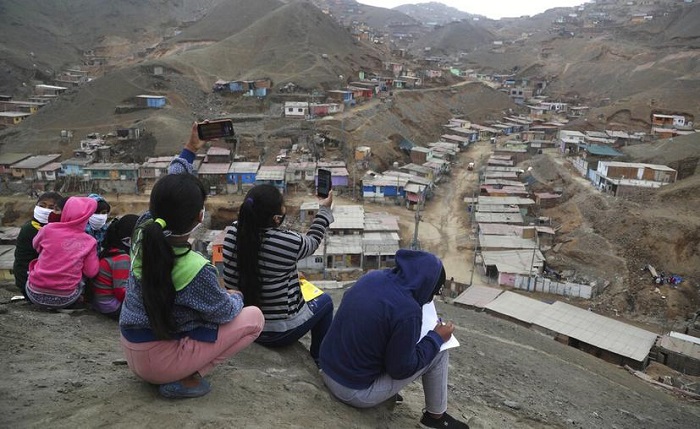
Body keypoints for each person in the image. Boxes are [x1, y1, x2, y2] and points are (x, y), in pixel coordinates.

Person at [119, 169, 264, 399]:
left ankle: (178, 371)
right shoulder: (196, 268)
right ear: (199, 216)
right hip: (160, 362)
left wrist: (190, 150)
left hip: (132, 348)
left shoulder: (142, 233)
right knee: (254, 317)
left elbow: (169, 194)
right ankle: (186, 377)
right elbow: (224, 313)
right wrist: (236, 296)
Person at [319, 249, 469, 429]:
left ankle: (388, 394)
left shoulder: (372, 278)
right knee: (439, 351)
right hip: (352, 390)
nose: (430, 299)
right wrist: (436, 338)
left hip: (327, 367)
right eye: (433, 293)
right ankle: (435, 418)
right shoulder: (408, 310)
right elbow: (401, 369)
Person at [222, 184, 334, 365]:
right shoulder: (287, 241)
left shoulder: (232, 232)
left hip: (244, 324)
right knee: (326, 302)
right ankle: (318, 359)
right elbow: (313, 242)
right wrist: (324, 209)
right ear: (276, 218)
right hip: (276, 333)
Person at [26, 197, 100, 309]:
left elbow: (36, 246)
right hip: (67, 298)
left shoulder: (48, 229)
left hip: (34, 293)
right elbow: (91, 272)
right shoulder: (90, 241)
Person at [13, 191, 63, 298]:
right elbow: (21, 263)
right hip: (30, 282)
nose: (45, 210)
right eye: (42, 206)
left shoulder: (59, 229)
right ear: (36, 206)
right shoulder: (30, 229)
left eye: (51, 207)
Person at [91, 214, 139, 318]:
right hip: (110, 306)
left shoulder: (111, 251)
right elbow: (121, 292)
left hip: (100, 302)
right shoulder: (122, 259)